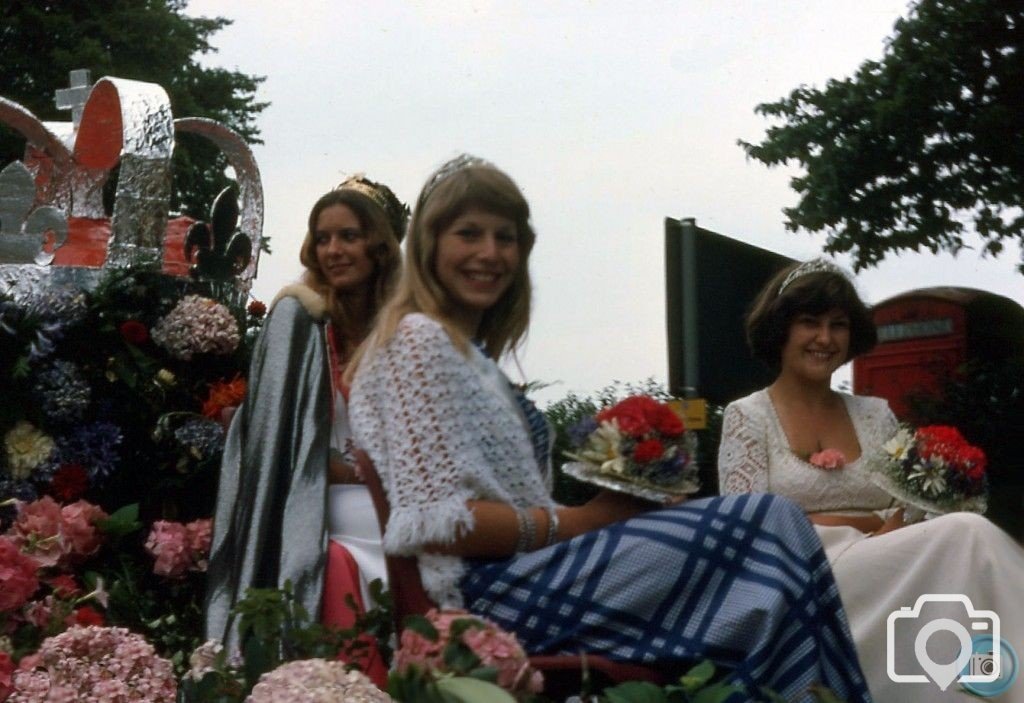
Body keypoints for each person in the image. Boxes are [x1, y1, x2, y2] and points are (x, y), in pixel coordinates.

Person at [348, 155, 874, 702]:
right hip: (486, 599)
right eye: (469, 234)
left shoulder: (468, 356)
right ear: (430, 244)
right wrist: (582, 521)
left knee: (768, 562)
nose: (489, 253)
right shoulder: (418, 341)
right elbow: (434, 523)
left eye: (506, 238)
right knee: (769, 524)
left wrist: (622, 515)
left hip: (526, 578)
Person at [718, 259, 1024, 702]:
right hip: (805, 571)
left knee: (972, 547)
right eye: (809, 323)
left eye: (838, 325)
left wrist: (897, 524)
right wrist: (867, 527)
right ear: (780, 329)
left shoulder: (874, 413)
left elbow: (911, 495)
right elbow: (748, 526)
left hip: (891, 550)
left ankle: (981, 688)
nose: (825, 339)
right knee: (968, 533)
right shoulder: (747, 416)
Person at [205, 176, 406, 680]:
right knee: (337, 559)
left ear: (379, 246)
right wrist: (349, 469)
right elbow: (271, 443)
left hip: (402, 502)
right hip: (316, 503)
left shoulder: (407, 327)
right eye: (323, 238)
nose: (334, 249)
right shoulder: (298, 318)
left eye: (349, 236)